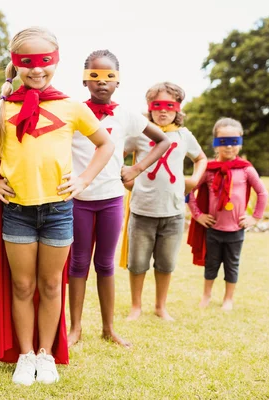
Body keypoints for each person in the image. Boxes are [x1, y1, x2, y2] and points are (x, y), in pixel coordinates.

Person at [0, 26, 114, 386]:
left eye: (44, 61)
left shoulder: (71, 106)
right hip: (18, 211)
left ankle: (46, 354)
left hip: (59, 210)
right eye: (27, 62)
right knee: (22, 286)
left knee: (50, 286)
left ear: (56, 62)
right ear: (15, 64)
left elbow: (104, 145)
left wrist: (84, 180)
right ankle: (25, 355)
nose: (36, 69)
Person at [68, 49, 170, 348]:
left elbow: (162, 140)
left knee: (106, 264)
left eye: (109, 77)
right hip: (79, 200)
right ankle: (75, 329)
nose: (102, 83)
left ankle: (108, 328)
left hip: (111, 199)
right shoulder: (73, 111)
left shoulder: (127, 115)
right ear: (85, 80)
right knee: (78, 264)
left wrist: (136, 168)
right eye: (95, 76)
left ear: (118, 82)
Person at [122, 82, 207, 322]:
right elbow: (115, 152)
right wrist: (125, 178)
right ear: (149, 108)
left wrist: (195, 180)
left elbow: (200, 158)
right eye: (157, 105)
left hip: (173, 212)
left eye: (169, 106)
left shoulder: (183, 136)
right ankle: (136, 307)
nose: (163, 111)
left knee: (166, 263)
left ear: (178, 109)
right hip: (142, 210)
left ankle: (160, 306)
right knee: (137, 263)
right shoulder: (140, 134)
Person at [187, 117, 268, 311]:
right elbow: (189, 191)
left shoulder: (246, 169)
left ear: (240, 142)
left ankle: (228, 299)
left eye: (234, 141)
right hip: (213, 228)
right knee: (211, 264)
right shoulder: (208, 169)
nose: (229, 147)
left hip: (236, 230)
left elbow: (262, 193)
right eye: (223, 142)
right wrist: (198, 215)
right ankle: (206, 296)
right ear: (215, 142)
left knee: (232, 265)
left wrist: (255, 217)